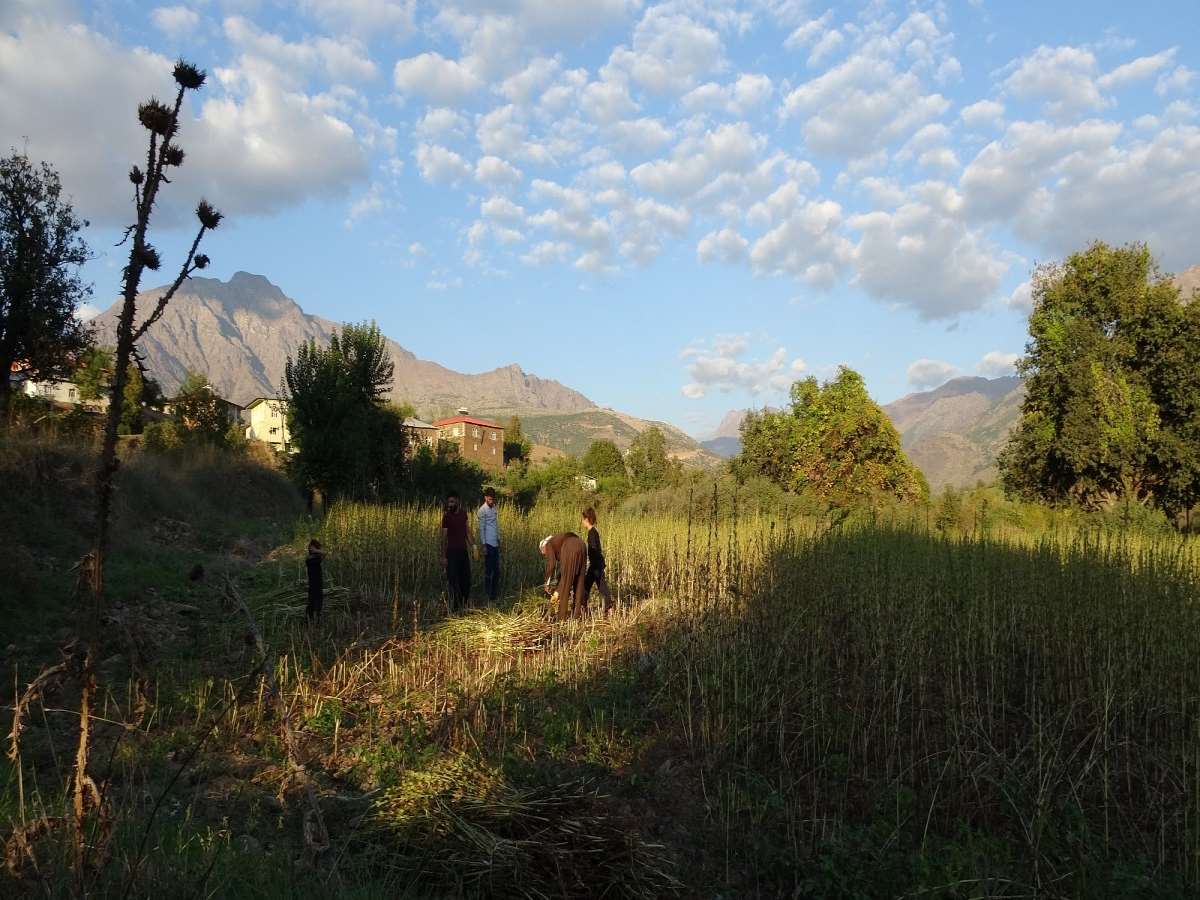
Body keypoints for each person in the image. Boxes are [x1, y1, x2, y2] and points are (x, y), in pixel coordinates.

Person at [539, 532, 588, 621]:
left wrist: (547, 582)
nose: (546, 556)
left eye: (545, 554)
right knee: (580, 583)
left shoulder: (548, 544)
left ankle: (561, 618)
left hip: (570, 547)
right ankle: (577, 616)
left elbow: (551, 565)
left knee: (566, 585)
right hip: (582, 545)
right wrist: (557, 581)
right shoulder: (557, 540)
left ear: (543, 547)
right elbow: (562, 569)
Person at [441, 491, 472, 610]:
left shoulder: (464, 515)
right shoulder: (446, 517)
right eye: (449, 502)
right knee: (453, 581)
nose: (450, 504)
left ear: (458, 502)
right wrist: (443, 556)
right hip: (451, 553)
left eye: (452, 501)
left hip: (463, 552)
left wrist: (473, 546)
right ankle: (454, 609)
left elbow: (467, 532)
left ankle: (464, 605)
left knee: (466, 579)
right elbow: (443, 538)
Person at [580, 507, 613, 615]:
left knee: (597, 586)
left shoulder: (592, 533)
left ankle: (582, 607)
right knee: (592, 586)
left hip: (595, 566)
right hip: (596, 565)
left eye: (582, 519)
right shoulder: (593, 531)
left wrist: (593, 564)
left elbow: (594, 549)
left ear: (587, 519)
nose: (582, 521)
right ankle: (583, 607)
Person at [478, 487, 500, 602]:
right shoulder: (482, 511)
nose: (492, 501)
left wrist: (499, 538)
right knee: (489, 571)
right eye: (490, 499)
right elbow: (482, 529)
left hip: (495, 543)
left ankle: (494, 595)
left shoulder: (494, 508)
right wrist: (483, 545)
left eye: (493, 499)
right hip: (488, 544)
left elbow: (496, 525)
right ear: (485, 498)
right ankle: (487, 595)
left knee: (496, 571)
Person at [305, 539, 325, 623]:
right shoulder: (309, 559)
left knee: (318, 601)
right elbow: (324, 554)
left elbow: (325, 553)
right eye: (311, 547)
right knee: (312, 602)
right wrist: (316, 550)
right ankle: (309, 620)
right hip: (313, 583)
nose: (311, 549)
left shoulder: (317, 558)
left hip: (318, 582)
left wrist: (316, 550)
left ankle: (317, 618)